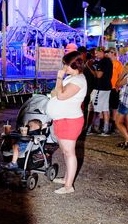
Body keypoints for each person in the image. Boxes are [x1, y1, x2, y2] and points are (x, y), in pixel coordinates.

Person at [46, 51, 87, 194]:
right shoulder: (72, 77)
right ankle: (67, 179)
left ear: (73, 64)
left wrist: (59, 77)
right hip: (61, 119)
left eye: (66, 64)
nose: (64, 67)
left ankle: (69, 186)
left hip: (70, 121)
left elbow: (62, 95)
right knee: (65, 152)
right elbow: (55, 93)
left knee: (70, 153)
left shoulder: (79, 80)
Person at [86, 46, 113, 136]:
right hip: (107, 87)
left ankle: (89, 128)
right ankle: (105, 129)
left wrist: (90, 67)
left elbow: (98, 75)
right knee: (105, 108)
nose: (96, 55)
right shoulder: (108, 61)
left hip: (100, 88)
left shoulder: (102, 62)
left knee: (92, 108)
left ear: (102, 52)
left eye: (97, 53)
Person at [107, 47, 124, 133]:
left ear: (113, 53)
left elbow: (121, 76)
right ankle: (106, 125)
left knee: (114, 108)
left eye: (109, 52)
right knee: (106, 108)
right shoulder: (106, 62)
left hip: (114, 88)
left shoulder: (118, 64)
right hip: (106, 88)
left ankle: (113, 126)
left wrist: (118, 86)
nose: (107, 54)